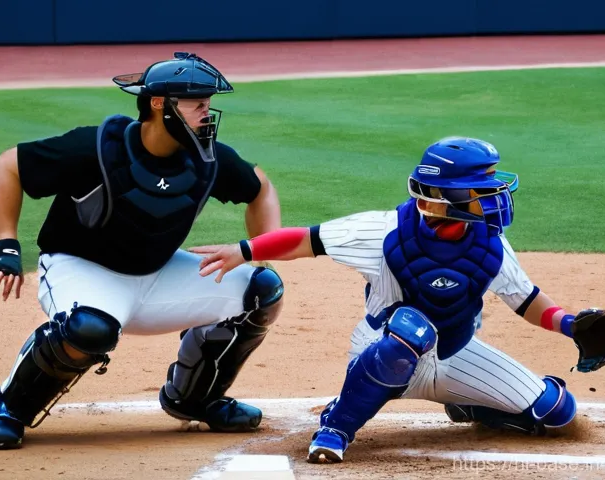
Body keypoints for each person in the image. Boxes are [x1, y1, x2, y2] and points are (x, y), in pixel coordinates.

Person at [192, 137, 585, 464]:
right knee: (409, 329)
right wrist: (243, 250)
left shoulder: (491, 242)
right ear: (445, 194)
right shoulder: (382, 231)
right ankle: (336, 428)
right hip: (383, 347)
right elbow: (304, 240)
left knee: (555, 412)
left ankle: (470, 405)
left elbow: (527, 299)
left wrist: (569, 324)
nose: (493, 194)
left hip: (452, 355)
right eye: (481, 186)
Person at [0, 52, 285, 449]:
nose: (207, 114)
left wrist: (255, 250)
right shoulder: (98, 149)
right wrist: (5, 242)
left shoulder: (206, 158)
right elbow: (10, 166)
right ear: (160, 104)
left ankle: (194, 398)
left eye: (208, 105)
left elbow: (260, 188)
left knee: (262, 289)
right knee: (89, 330)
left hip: (157, 276)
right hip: (82, 269)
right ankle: (8, 406)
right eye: (198, 105)